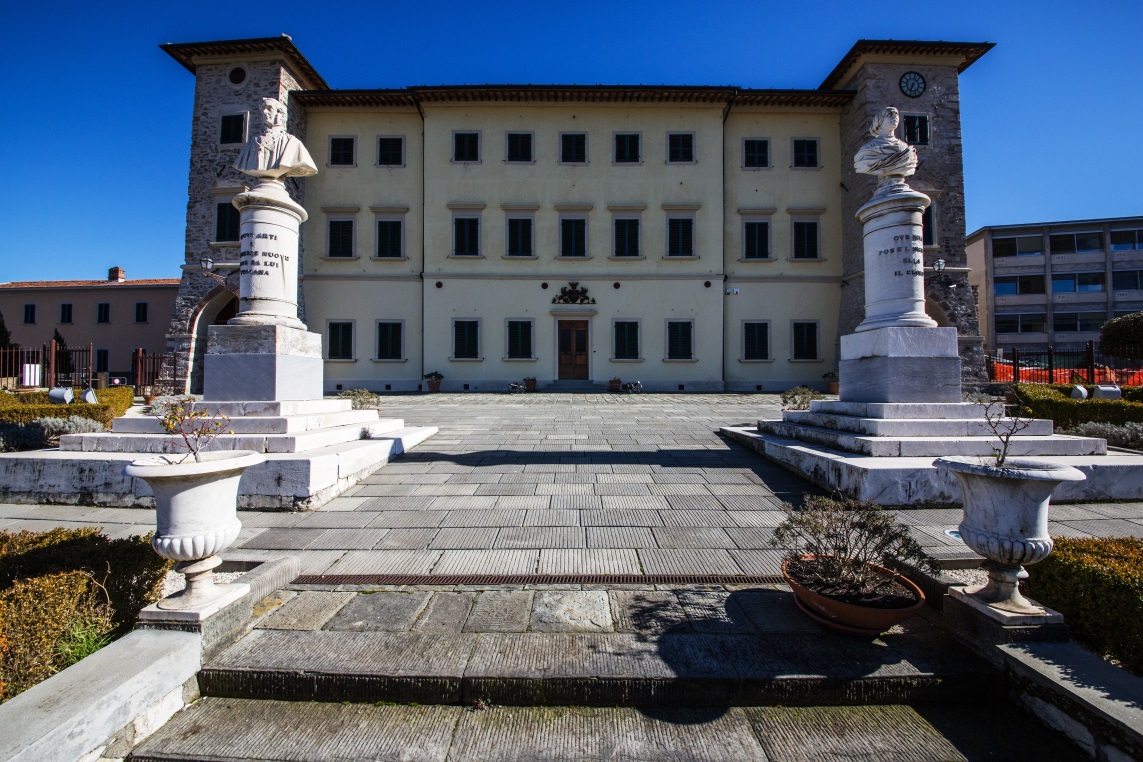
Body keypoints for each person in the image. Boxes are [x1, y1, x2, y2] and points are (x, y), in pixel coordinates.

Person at [234, 98, 318, 181]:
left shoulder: (292, 143)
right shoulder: (252, 142)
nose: (265, 112)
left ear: (280, 114)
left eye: (269, 108)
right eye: (263, 109)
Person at [853, 106, 917, 181]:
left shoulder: (905, 148)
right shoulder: (868, 149)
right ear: (879, 121)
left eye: (896, 114)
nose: (894, 116)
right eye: (889, 114)